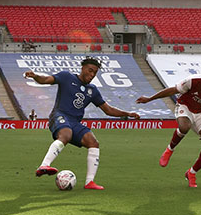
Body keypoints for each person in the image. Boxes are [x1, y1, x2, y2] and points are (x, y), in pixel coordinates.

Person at [27, 57, 140, 190]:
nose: (92, 75)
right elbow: (45, 80)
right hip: (59, 115)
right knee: (66, 134)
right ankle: (44, 165)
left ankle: (89, 182)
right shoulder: (66, 77)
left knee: (93, 142)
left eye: (95, 73)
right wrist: (35, 76)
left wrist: (127, 113)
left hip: (74, 122)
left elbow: (108, 110)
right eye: (90, 71)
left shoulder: (92, 90)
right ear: (82, 68)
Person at [136, 64, 201, 188]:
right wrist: (150, 99)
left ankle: (192, 173)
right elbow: (172, 90)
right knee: (184, 126)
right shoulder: (194, 81)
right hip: (185, 106)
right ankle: (170, 149)